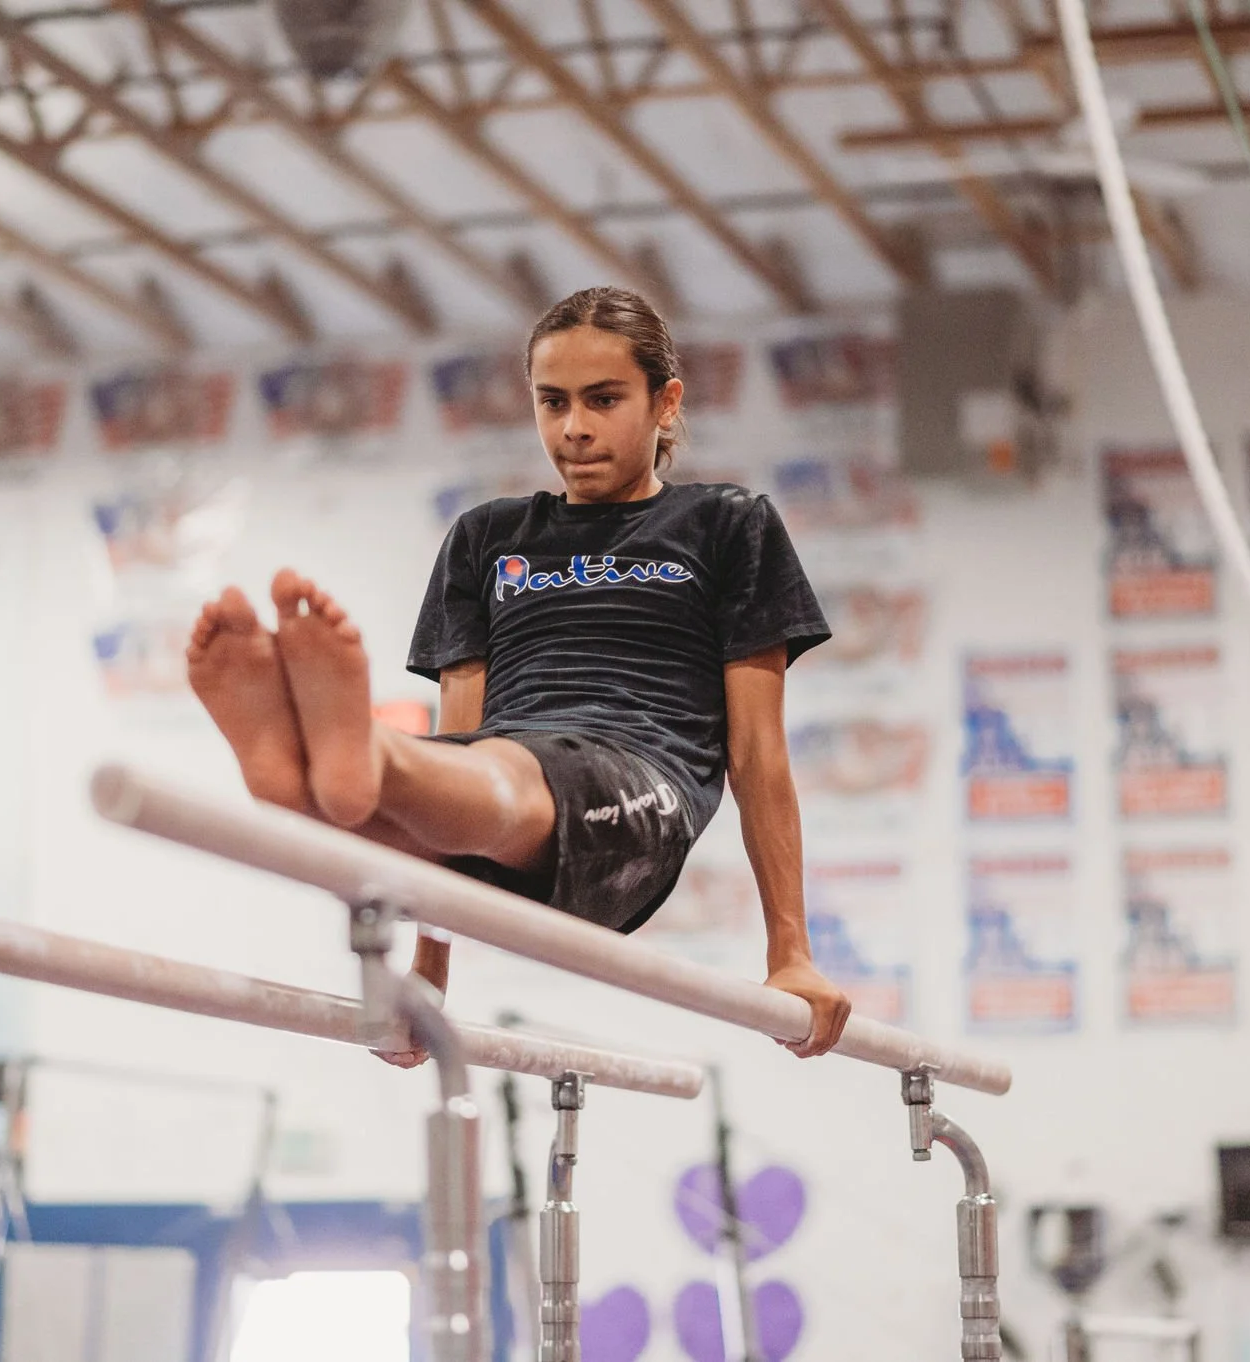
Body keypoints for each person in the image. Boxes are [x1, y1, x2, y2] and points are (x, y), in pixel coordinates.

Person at [185, 285, 853, 1063]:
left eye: (604, 399)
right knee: (431, 790)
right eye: (553, 401)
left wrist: (790, 954)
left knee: (502, 778)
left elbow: (758, 754)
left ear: (665, 403)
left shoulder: (726, 524)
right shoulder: (486, 538)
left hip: (638, 783)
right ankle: (311, 782)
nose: (574, 428)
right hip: (494, 790)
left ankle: (353, 757)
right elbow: (462, 730)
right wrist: (429, 977)